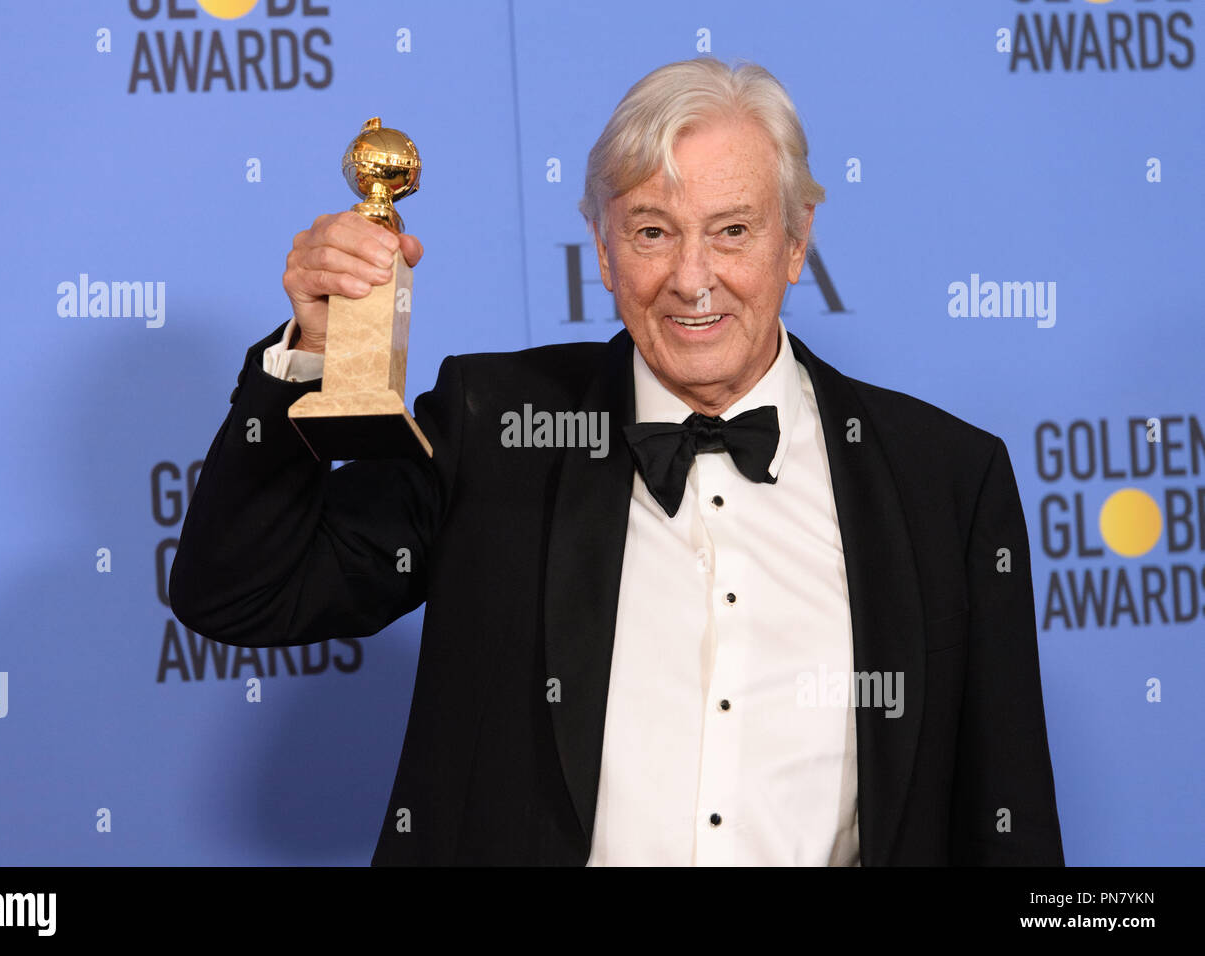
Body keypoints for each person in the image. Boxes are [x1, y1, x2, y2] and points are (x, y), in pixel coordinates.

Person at [169, 56, 1064, 866]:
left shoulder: (945, 479)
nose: (692, 279)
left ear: (798, 241)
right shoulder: (497, 428)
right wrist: (314, 360)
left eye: (733, 231)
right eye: (651, 232)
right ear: (600, 247)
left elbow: (1007, 819)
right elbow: (241, 590)